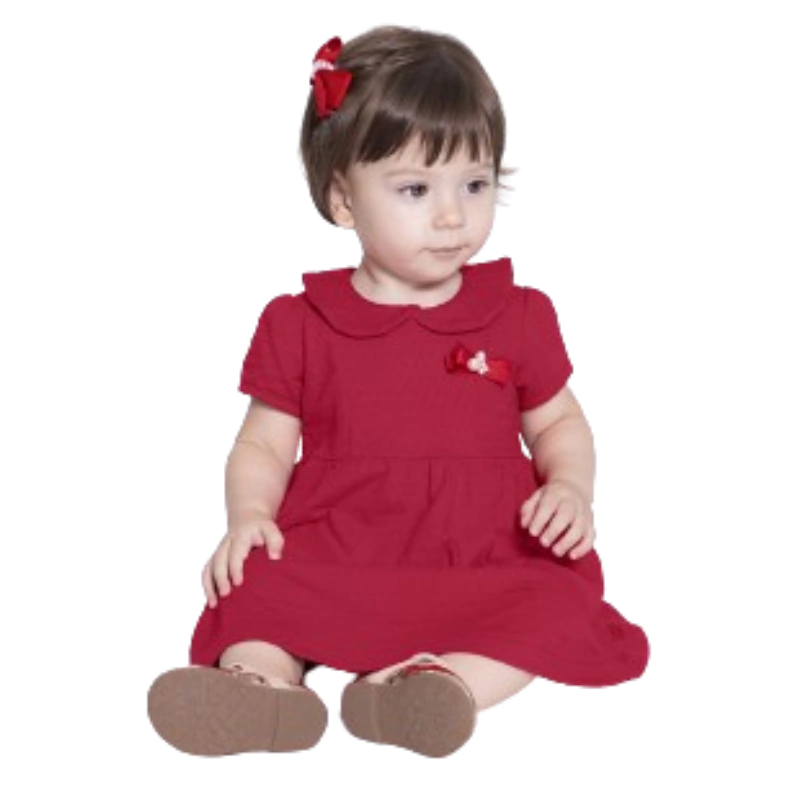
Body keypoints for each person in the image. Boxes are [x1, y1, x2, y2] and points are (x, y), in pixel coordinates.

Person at [147, 25, 649, 760]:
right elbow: (262, 444)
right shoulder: (300, 322)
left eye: (475, 184)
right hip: (342, 550)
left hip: (483, 556)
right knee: (252, 588)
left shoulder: (520, 313)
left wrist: (570, 487)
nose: (453, 216)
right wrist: (248, 516)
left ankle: (432, 687)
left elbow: (559, 424)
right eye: (416, 189)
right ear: (343, 200)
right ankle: (261, 686)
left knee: (554, 600)